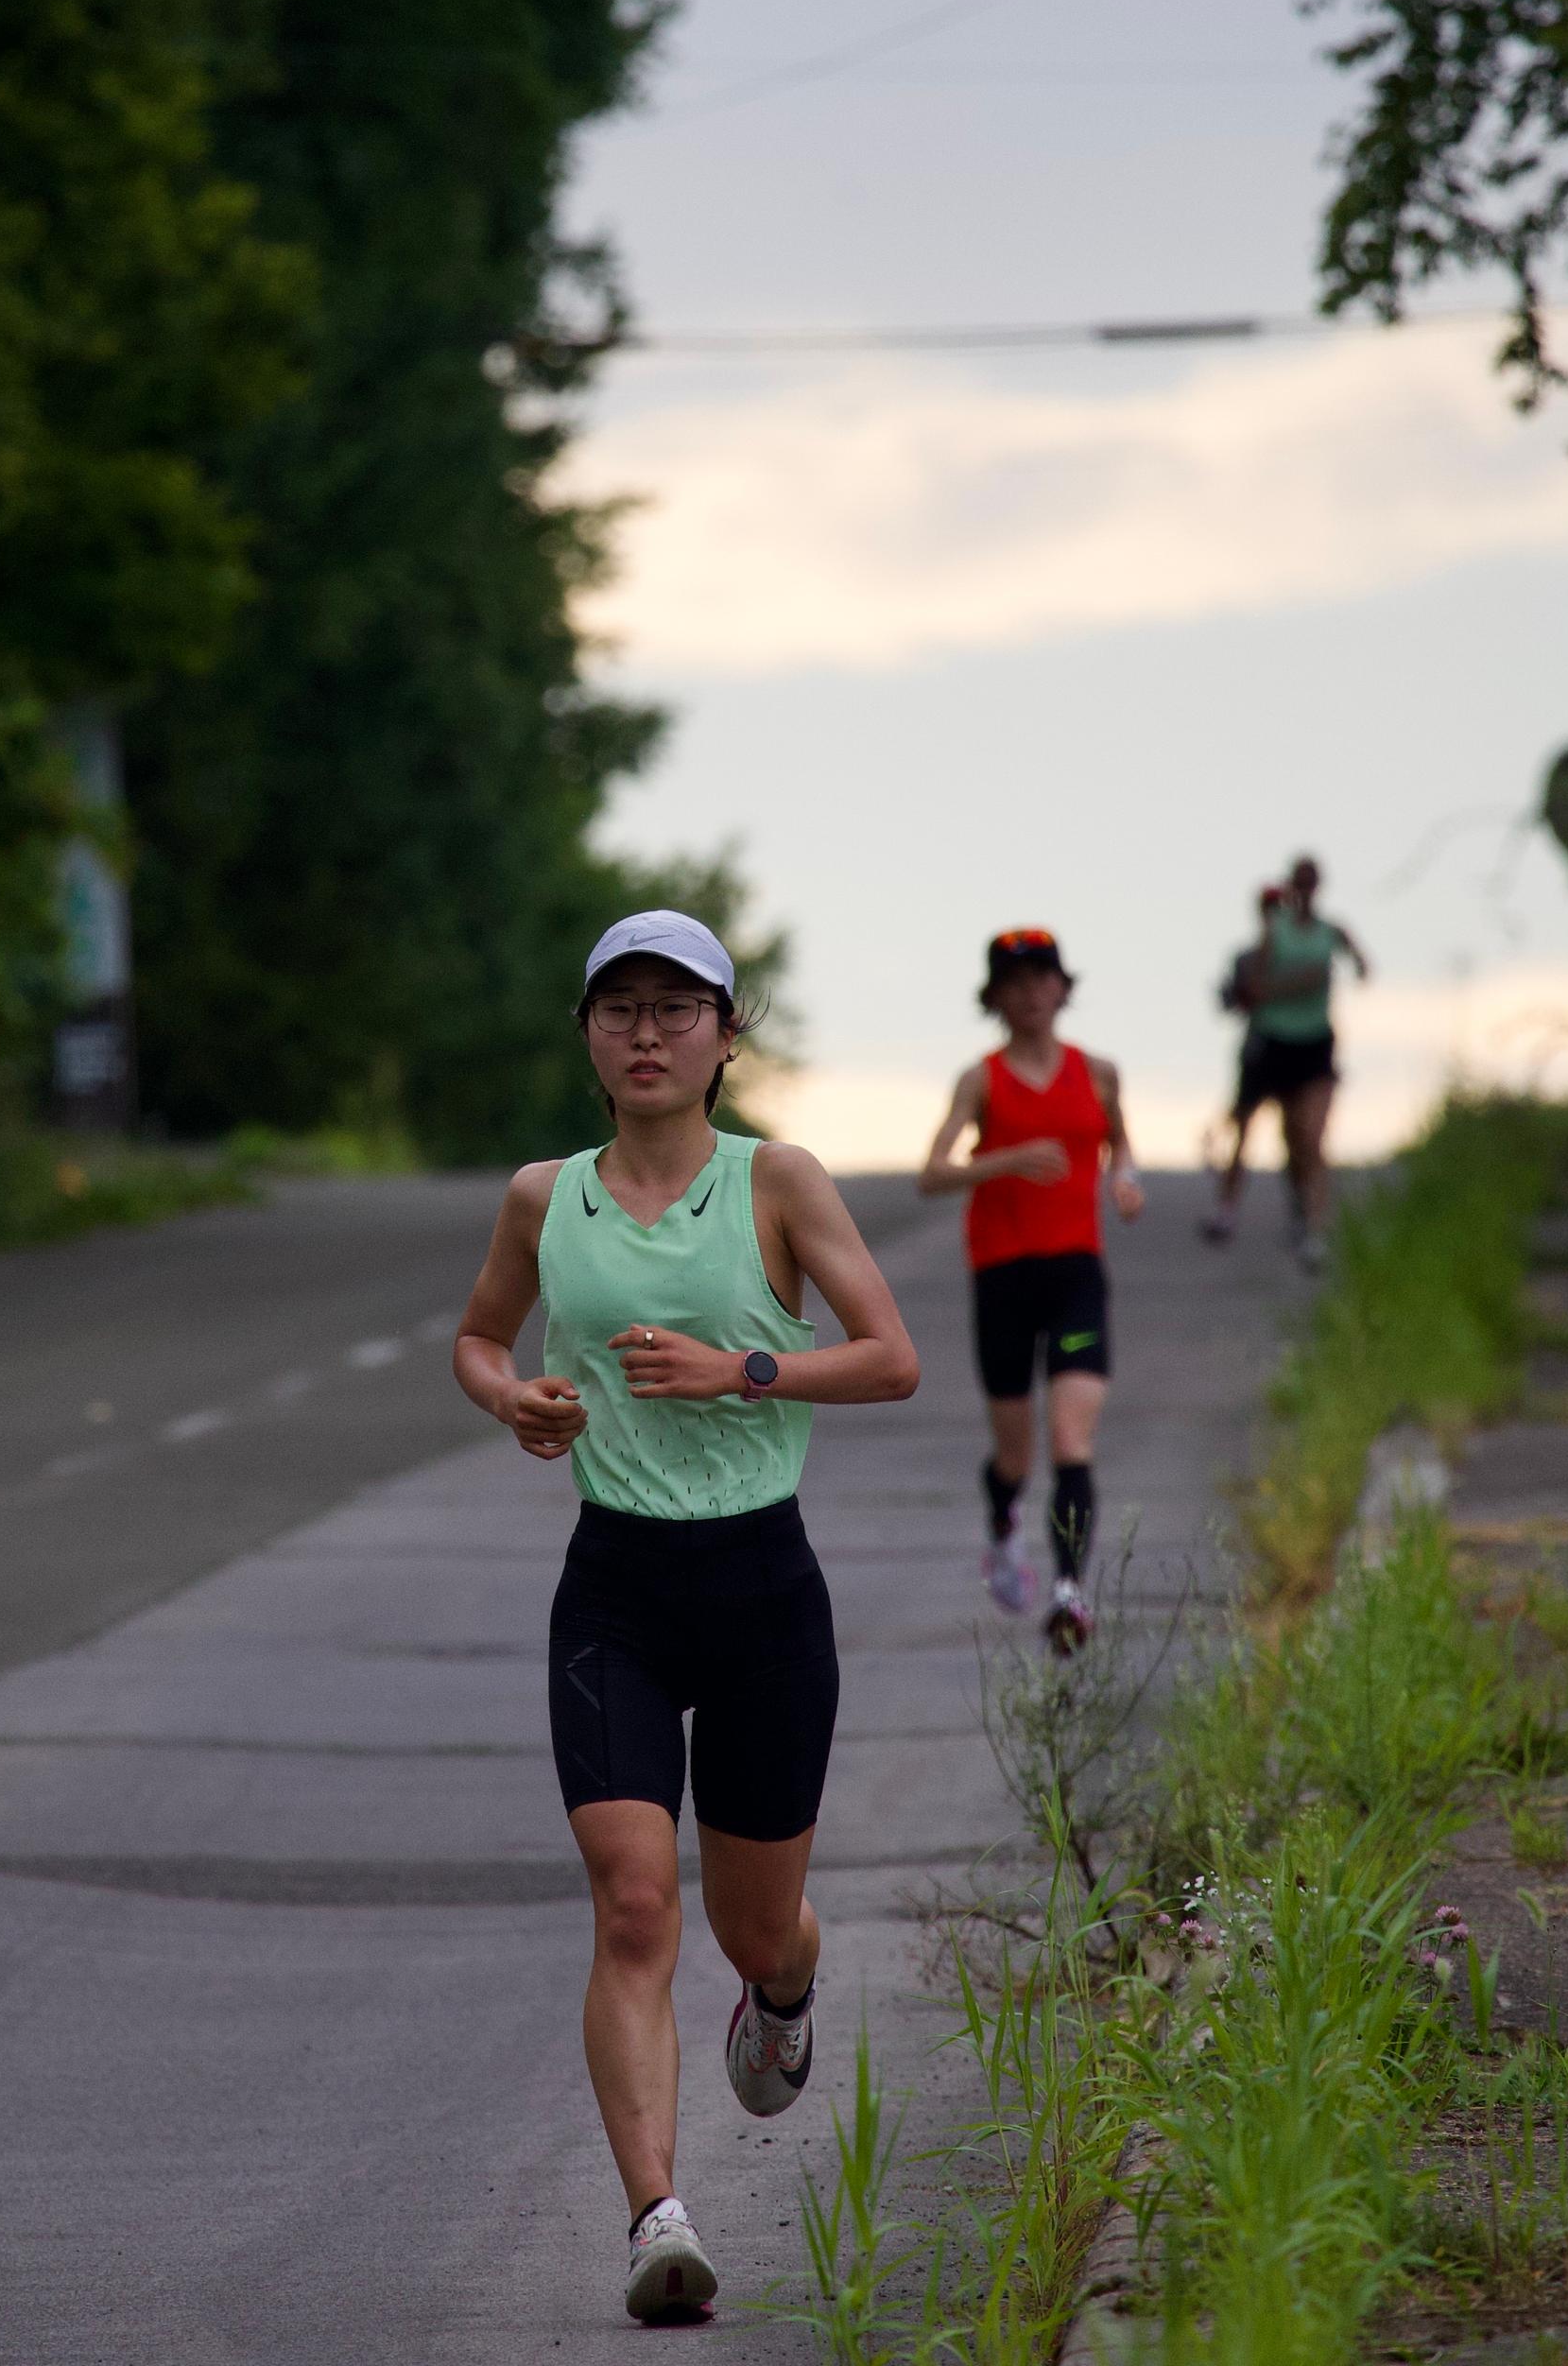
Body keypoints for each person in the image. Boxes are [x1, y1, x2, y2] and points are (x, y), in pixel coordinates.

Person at [452, 909, 921, 2327]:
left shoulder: (773, 1180)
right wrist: (510, 1396)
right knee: (635, 1902)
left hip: (764, 1589)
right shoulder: (547, 1197)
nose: (647, 1034)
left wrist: (743, 1373)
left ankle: (782, 1993)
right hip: (619, 1591)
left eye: (677, 1009)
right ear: (588, 1037)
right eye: (620, 1010)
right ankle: (658, 2215)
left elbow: (891, 1359)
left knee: (752, 1928)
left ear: (726, 1032)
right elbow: (479, 1334)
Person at [918, 928, 1142, 1655]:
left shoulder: (1100, 1072)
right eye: (1014, 984)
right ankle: (1003, 1525)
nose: (1030, 994)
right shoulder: (980, 1080)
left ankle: (1070, 1592)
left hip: (1076, 1273)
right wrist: (1005, 1158)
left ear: (1063, 990)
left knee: (1071, 1439)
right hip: (1003, 1275)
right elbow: (932, 1174)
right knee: (1015, 1457)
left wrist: (1124, 1178)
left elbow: (1119, 1144)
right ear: (995, 999)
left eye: (1043, 980)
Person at [1218, 855, 1368, 1269]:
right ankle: (1231, 1209)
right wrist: (1302, 983)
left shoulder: (1331, 932)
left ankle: (1314, 1228)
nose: (1304, 892)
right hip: (1274, 1042)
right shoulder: (1275, 932)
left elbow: (1363, 966)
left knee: (1310, 1139)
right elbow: (1255, 987)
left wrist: (1342, 967)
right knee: (1265, 1131)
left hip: (1315, 1045)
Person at [1201, 884, 1288, 1247]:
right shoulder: (1247, 958)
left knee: (1301, 1137)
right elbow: (1228, 1001)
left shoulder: (1305, 952)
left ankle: (1305, 1216)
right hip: (1259, 1050)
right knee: (1243, 1131)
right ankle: (1227, 1210)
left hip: (1298, 1055)